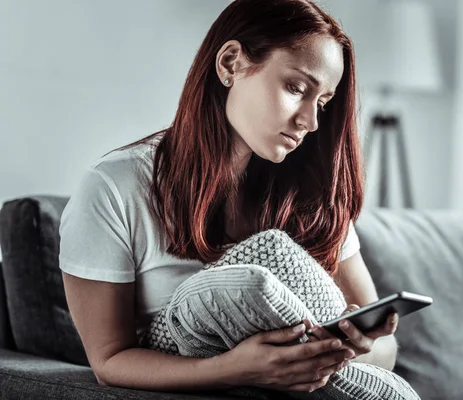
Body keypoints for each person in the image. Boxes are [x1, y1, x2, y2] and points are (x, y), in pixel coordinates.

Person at [60, 0, 401, 394]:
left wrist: (352, 347)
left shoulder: (314, 197)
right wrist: (233, 370)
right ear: (230, 64)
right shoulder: (114, 191)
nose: (310, 122)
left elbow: (387, 351)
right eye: (296, 88)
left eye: (322, 102)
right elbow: (109, 362)